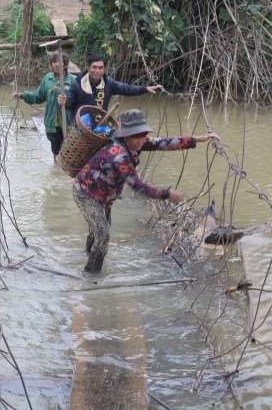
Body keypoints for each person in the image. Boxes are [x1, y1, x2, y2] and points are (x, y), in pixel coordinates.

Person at [72, 109, 221, 272]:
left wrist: (198, 139)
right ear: (126, 136)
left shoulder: (137, 142)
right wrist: (168, 194)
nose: (141, 140)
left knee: (99, 229)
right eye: (136, 135)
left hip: (104, 194)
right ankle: (90, 276)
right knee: (103, 234)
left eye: (143, 134)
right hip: (86, 194)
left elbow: (165, 142)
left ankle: (87, 255)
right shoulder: (118, 155)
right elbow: (138, 186)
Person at [13, 53, 77, 163]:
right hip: (52, 123)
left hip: (68, 122)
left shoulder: (74, 80)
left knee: (69, 150)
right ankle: (56, 171)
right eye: (54, 62)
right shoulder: (48, 79)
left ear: (65, 65)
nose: (57, 65)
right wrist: (23, 95)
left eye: (60, 62)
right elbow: (39, 96)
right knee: (55, 149)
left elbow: (79, 100)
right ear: (51, 65)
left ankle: (66, 174)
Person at [57, 54, 163, 115]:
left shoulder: (108, 83)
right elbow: (70, 104)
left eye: (100, 68)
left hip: (101, 125)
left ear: (105, 69)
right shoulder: (77, 83)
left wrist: (145, 89)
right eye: (94, 67)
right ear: (88, 68)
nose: (97, 71)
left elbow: (127, 89)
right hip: (80, 126)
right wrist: (64, 102)